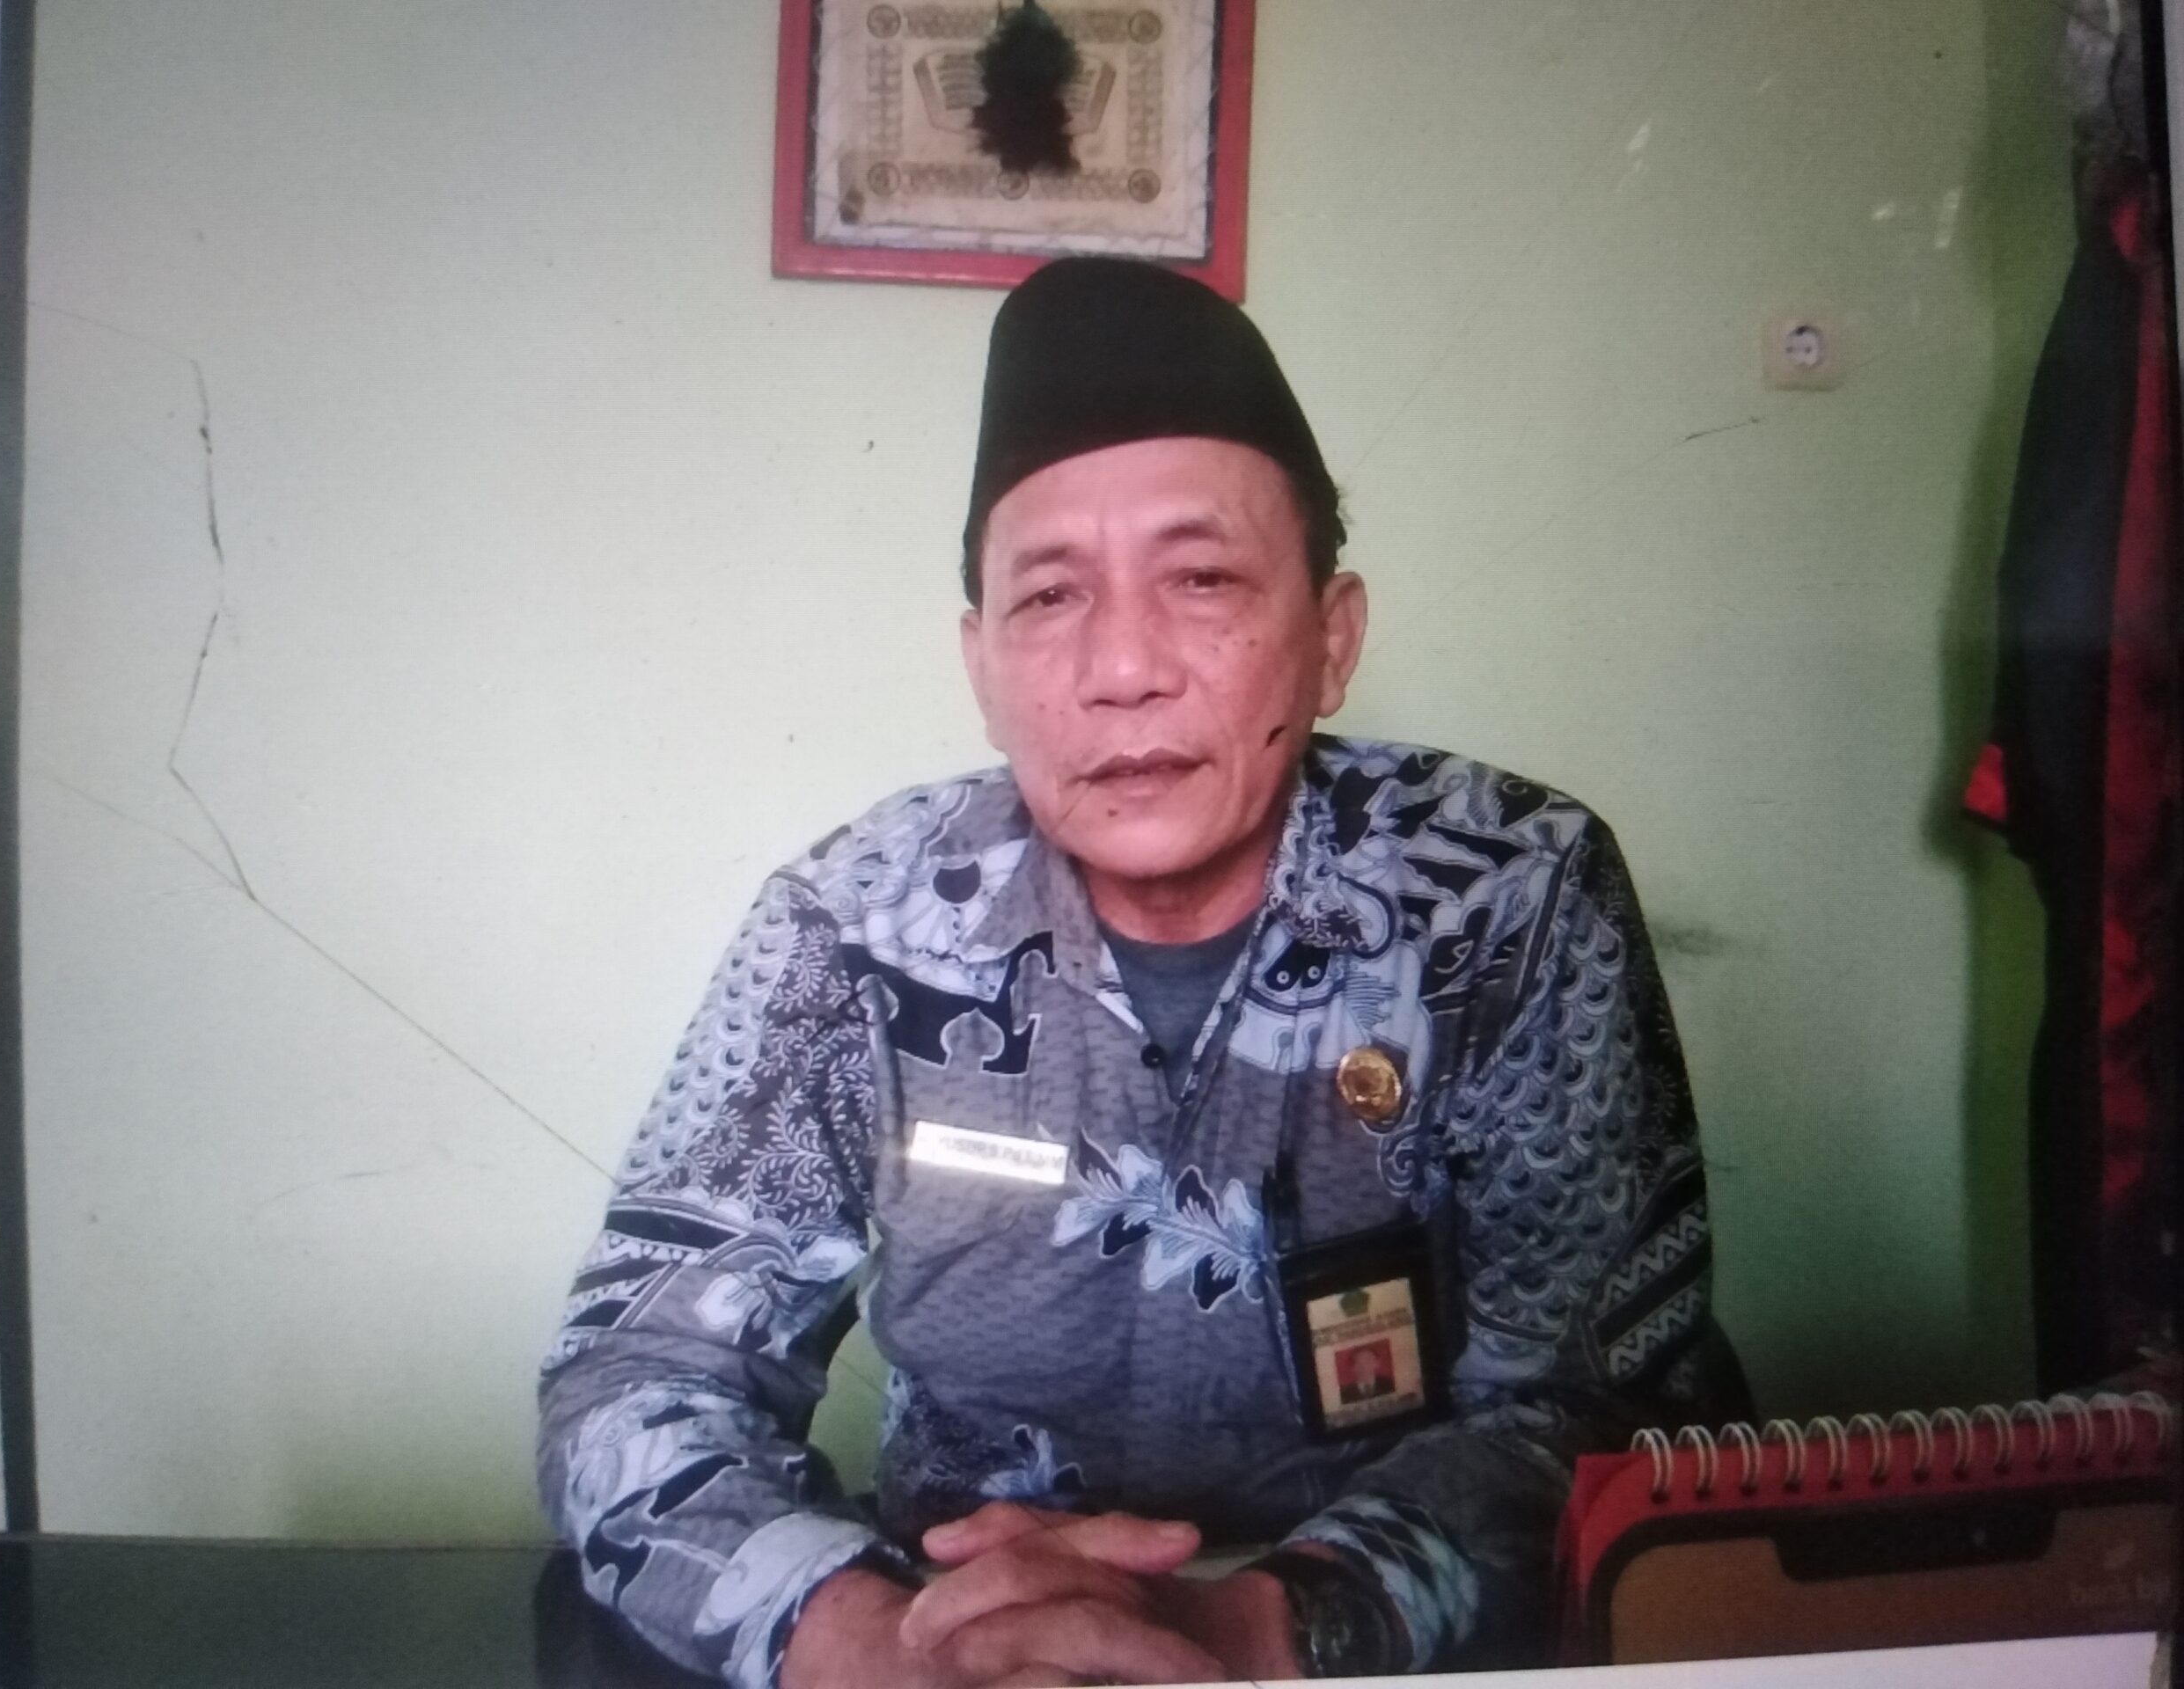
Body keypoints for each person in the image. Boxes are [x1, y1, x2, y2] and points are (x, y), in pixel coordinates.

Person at [538, 257, 1747, 1689]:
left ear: (1332, 640)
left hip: (1369, 1658)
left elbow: (1601, 1406)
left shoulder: (1511, 896)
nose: (1124, 668)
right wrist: (867, 1642)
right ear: (983, 667)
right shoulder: (857, 925)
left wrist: (1260, 1628)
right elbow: (637, 1375)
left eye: (1203, 579)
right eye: (1051, 596)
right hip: (954, 1641)